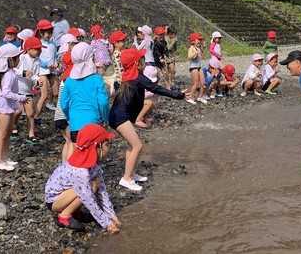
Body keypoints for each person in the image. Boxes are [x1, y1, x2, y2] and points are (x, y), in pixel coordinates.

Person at [108, 48, 185, 191]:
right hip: (120, 118)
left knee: (132, 146)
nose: (145, 63)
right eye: (142, 60)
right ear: (138, 64)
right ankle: (126, 179)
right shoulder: (137, 77)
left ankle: (131, 173)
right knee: (137, 146)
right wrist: (178, 95)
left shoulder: (127, 76)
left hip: (115, 116)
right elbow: (156, 89)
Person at [44, 123, 120, 233]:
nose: (108, 149)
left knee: (95, 184)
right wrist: (106, 223)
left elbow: (102, 190)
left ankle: (75, 212)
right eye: (106, 145)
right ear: (97, 147)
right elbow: (88, 199)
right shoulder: (80, 170)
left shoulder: (93, 162)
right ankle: (64, 215)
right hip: (54, 201)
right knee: (90, 187)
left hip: (67, 193)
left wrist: (111, 215)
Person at [59, 42, 109, 143]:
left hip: (75, 124)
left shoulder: (69, 80)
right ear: (91, 58)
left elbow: (63, 104)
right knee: (94, 154)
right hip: (93, 122)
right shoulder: (97, 79)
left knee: (79, 153)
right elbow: (103, 102)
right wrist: (104, 118)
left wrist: (70, 118)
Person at [0, 44, 28, 171]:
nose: (19, 60)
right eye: (17, 58)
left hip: (8, 107)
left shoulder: (11, 72)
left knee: (7, 134)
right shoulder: (8, 74)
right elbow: (6, 92)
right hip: (3, 108)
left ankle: (5, 158)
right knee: (2, 135)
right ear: (10, 60)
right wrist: (20, 98)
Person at [13, 35, 44, 145]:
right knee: (17, 111)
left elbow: (35, 75)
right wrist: (24, 73)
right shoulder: (22, 57)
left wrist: (37, 81)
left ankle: (31, 134)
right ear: (29, 49)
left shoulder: (38, 61)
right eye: (37, 49)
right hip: (17, 88)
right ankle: (14, 126)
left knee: (30, 113)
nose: (39, 51)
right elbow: (14, 70)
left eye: (40, 49)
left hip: (27, 90)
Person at [36, 19, 59, 116]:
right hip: (43, 71)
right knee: (44, 95)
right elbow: (38, 59)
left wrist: (57, 62)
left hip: (52, 70)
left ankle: (60, 114)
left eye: (50, 33)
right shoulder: (39, 45)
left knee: (56, 92)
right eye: (47, 33)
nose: (49, 35)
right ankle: (36, 115)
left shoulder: (53, 44)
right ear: (41, 33)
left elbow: (56, 55)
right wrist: (47, 64)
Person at [186, 32, 204, 105]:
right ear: (193, 41)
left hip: (198, 66)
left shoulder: (198, 48)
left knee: (203, 82)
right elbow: (189, 56)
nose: (199, 41)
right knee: (196, 83)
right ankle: (190, 97)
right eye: (198, 40)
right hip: (193, 67)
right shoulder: (191, 48)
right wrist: (196, 53)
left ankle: (200, 96)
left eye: (200, 40)